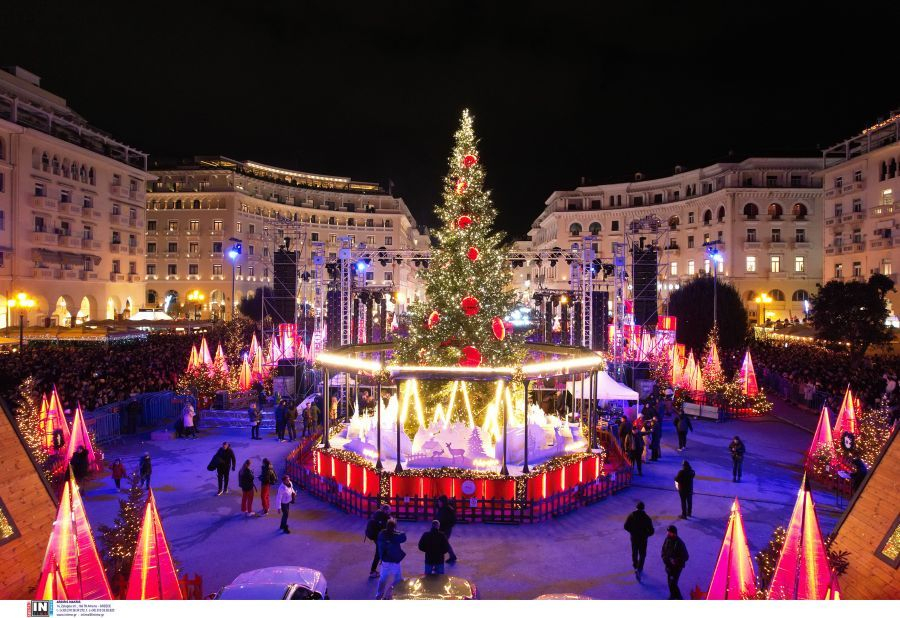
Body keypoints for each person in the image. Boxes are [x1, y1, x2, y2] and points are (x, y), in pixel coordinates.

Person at [375, 519, 407, 600]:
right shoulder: (396, 536)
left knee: (382, 578)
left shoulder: (381, 534)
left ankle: (379, 595)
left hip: (385, 560)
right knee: (398, 578)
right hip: (394, 561)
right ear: (394, 527)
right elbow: (404, 536)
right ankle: (390, 592)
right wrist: (396, 531)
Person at [623, 501, 655, 582]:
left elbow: (626, 526)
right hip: (643, 539)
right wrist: (646, 535)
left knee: (634, 552)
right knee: (642, 554)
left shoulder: (631, 515)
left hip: (634, 538)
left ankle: (635, 566)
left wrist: (632, 532)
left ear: (636, 507)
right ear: (643, 508)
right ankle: (640, 568)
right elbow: (651, 531)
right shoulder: (647, 518)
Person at [661, 525, 689, 600]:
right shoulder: (667, 539)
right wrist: (664, 558)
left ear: (674, 533)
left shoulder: (680, 543)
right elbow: (663, 550)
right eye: (668, 532)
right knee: (670, 583)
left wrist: (676, 560)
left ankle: (679, 597)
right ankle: (673, 595)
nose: (668, 534)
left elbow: (686, 557)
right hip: (668, 566)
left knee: (673, 583)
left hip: (676, 567)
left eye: (670, 532)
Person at [366, 504, 391, 578]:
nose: (390, 511)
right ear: (386, 510)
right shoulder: (383, 517)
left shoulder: (377, 514)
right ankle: (373, 571)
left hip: (375, 536)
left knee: (380, 552)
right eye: (389, 510)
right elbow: (384, 529)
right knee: (378, 554)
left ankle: (378, 569)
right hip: (378, 537)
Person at [434, 495, 458, 563]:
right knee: (444, 543)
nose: (438, 503)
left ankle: (440, 558)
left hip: (445, 529)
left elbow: (453, 520)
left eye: (439, 501)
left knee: (442, 543)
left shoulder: (448, 509)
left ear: (443, 502)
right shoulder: (441, 508)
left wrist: (447, 526)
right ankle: (452, 556)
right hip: (441, 529)